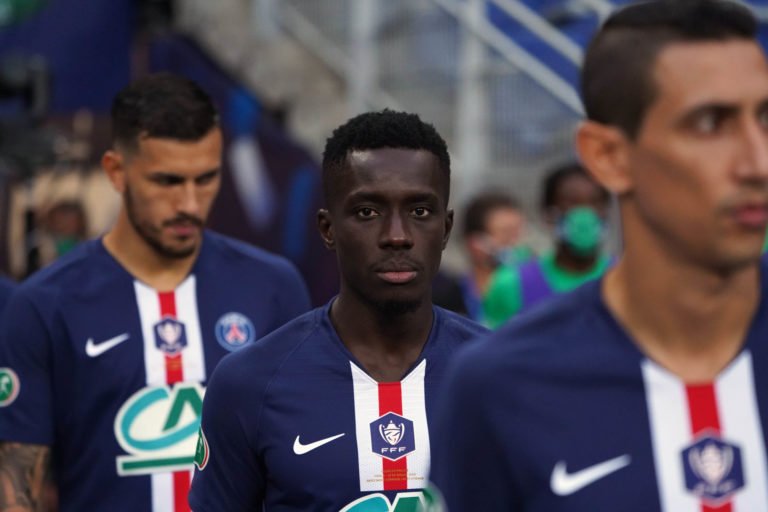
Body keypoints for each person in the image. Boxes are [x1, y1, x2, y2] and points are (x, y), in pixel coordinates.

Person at [430, 1, 768, 510]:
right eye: (709, 123)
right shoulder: (501, 387)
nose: (757, 162)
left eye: (765, 119)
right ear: (608, 157)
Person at [0, 73, 311, 512]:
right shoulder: (43, 305)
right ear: (116, 171)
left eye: (206, 179)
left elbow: (303, 458)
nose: (189, 203)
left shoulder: (273, 287)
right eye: (167, 181)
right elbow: (18, 491)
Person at [188, 110, 488, 511]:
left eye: (419, 211)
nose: (397, 236)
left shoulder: (500, 376)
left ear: (446, 228)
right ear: (328, 230)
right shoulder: (249, 383)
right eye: (367, 212)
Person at [482, 163, 611, 327]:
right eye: (572, 203)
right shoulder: (512, 284)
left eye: (595, 202)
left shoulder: (629, 282)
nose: (585, 214)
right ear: (548, 214)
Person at [433, 191, 529, 323]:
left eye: (519, 232)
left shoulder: (535, 295)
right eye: (506, 233)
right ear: (475, 243)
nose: (517, 243)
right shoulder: (446, 299)